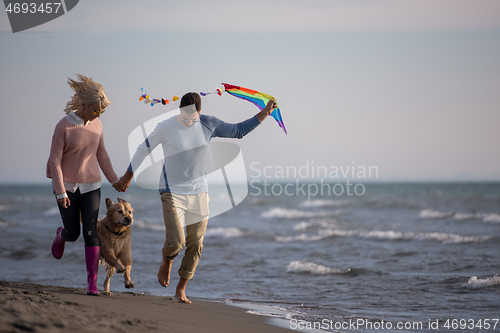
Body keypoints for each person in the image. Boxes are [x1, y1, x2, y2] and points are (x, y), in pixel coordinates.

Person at [114, 92, 277, 303]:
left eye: (193, 117)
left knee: (196, 244)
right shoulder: (166, 126)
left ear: (199, 112)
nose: (189, 121)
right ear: (179, 111)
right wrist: (128, 175)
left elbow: (238, 131)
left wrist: (264, 113)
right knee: (176, 241)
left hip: (199, 191)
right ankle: (167, 259)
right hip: (171, 191)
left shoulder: (209, 124)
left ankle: (181, 288)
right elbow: (144, 148)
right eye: (185, 116)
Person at [47, 74, 119, 296]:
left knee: (91, 234)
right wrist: (60, 192)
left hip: (91, 186)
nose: (99, 114)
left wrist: (115, 180)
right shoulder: (63, 127)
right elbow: (55, 161)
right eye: (96, 109)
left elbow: (102, 155)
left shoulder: (97, 126)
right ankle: (62, 234)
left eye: (102, 111)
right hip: (66, 187)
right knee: (74, 233)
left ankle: (92, 283)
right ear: (83, 104)